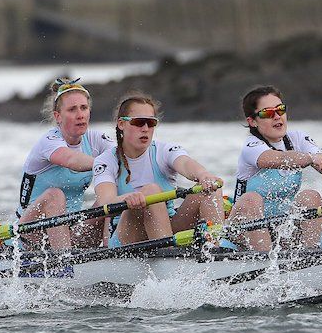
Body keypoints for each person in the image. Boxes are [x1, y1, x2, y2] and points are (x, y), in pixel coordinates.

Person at [90, 93, 226, 247]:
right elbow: (106, 201)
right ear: (121, 124)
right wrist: (129, 198)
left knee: (209, 186)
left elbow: (186, 164)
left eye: (151, 123)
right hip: (127, 238)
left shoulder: (164, 151)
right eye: (139, 122)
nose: (145, 128)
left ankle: (215, 250)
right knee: (151, 191)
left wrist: (203, 175)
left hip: (168, 227)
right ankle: (169, 257)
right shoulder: (106, 160)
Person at [228, 86, 322, 253]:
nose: (277, 116)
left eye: (280, 109)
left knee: (310, 197)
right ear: (252, 121)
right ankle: (266, 264)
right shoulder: (251, 146)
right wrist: (311, 159)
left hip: (280, 229)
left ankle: (312, 256)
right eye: (268, 113)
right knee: (251, 199)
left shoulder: (298, 138)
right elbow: (279, 159)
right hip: (242, 231)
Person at [15, 76, 113, 251]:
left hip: (72, 232)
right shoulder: (49, 140)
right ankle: (64, 263)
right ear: (58, 116)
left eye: (84, 108)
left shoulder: (95, 139)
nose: (80, 115)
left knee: (107, 199)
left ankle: (113, 251)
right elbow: (71, 160)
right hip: (30, 235)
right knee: (55, 195)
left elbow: (124, 156)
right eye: (72, 109)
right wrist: (107, 163)